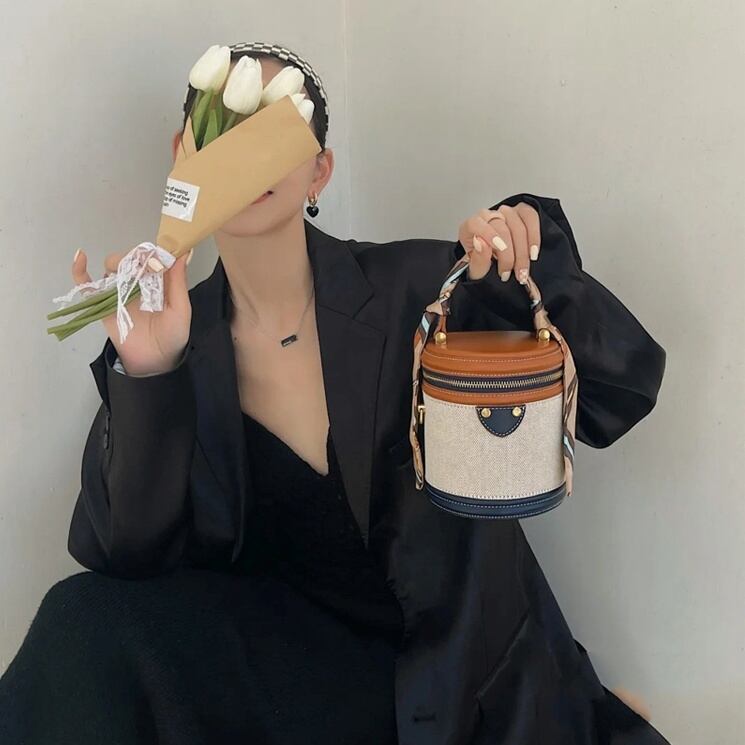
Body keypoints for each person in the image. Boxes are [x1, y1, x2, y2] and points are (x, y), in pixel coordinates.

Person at [0, 41, 672, 745]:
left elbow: (618, 389)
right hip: (305, 686)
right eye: (224, 130)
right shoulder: (179, 341)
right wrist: (151, 372)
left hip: (463, 679)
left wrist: (525, 265)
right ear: (182, 156)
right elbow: (126, 562)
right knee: (78, 620)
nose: (246, 155)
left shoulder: (421, 292)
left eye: (273, 131)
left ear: (318, 169)